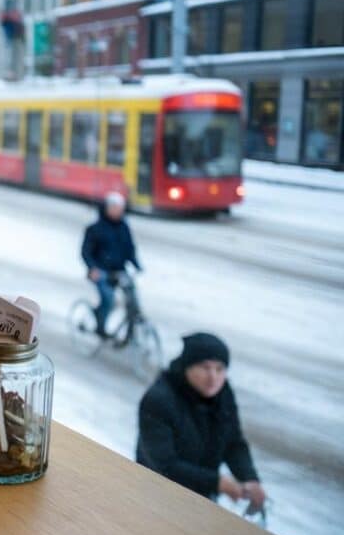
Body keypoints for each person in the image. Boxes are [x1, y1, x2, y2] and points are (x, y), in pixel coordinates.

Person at [137, 333, 266, 512]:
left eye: (220, 369)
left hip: (201, 498)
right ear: (187, 366)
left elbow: (233, 442)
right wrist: (216, 482)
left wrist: (249, 478)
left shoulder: (223, 394)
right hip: (156, 496)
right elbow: (164, 465)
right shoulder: (159, 400)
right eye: (205, 367)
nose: (213, 377)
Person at [80, 191, 139, 336]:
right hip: (101, 271)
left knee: (132, 299)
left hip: (119, 270)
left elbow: (129, 248)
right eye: (114, 208)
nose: (118, 212)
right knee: (109, 299)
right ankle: (100, 326)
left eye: (120, 208)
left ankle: (131, 329)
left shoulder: (123, 228)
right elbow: (86, 252)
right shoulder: (95, 229)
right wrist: (92, 268)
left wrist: (136, 264)